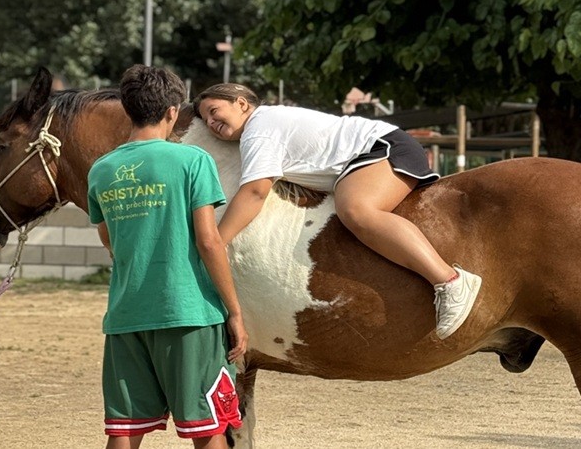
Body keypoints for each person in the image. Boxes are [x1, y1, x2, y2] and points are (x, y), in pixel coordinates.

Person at [193, 83, 481, 341]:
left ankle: (450, 280)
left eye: (214, 110)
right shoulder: (263, 126)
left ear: (242, 103)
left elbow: (256, 191)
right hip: (373, 152)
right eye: (205, 120)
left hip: (382, 149)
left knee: (356, 209)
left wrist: (216, 241)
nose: (211, 121)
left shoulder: (259, 128)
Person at [87, 65, 248, 449]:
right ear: (173, 111)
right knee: (206, 428)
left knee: (124, 429)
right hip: (188, 313)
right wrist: (235, 312)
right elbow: (209, 242)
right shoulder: (192, 161)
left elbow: (110, 240)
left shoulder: (101, 171)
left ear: (127, 109)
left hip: (126, 316)